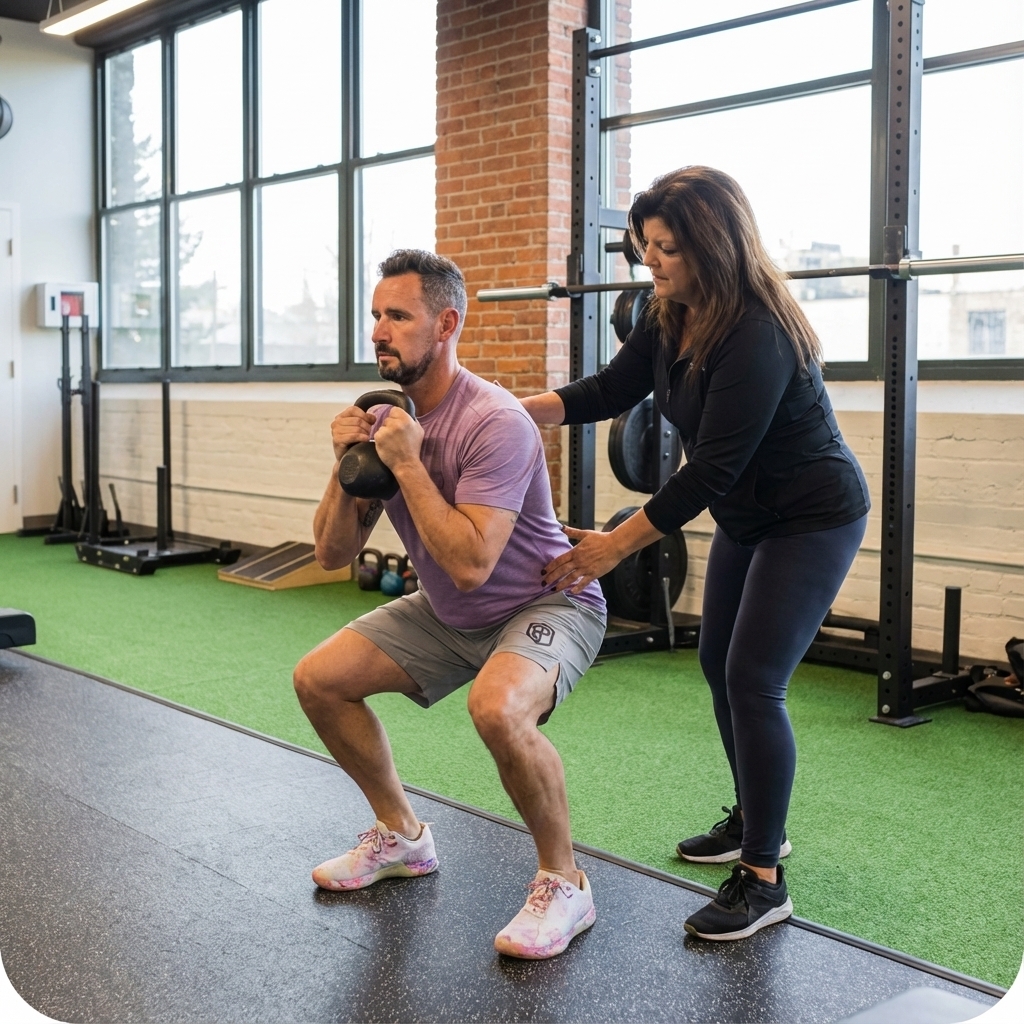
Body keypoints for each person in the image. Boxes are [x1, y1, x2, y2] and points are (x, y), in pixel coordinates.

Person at [520, 167, 870, 942]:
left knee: (754, 677)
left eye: (668, 248)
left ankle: (764, 880)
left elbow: (710, 470)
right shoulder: (665, 311)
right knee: (719, 661)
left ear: (713, 245)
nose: (654, 263)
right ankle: (758, 819)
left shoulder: (759, 332)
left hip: (812, 515)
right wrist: (512, 413)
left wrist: (612, 547)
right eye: (646, 248)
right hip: (750, 516)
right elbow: (609, 390)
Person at [293, 249, 607, 960]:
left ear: (446, 323)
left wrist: (407, 461)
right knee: (320, 680)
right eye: (376, 315)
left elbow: (469, 564)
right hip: (449, 611)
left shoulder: (494, 421)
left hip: (547, 602)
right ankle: (401, 836)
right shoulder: (384, 420)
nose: (380, 331)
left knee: (497, 708)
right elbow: (332, 555)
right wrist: (346, 469)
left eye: (398, 316)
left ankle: (566, 884)